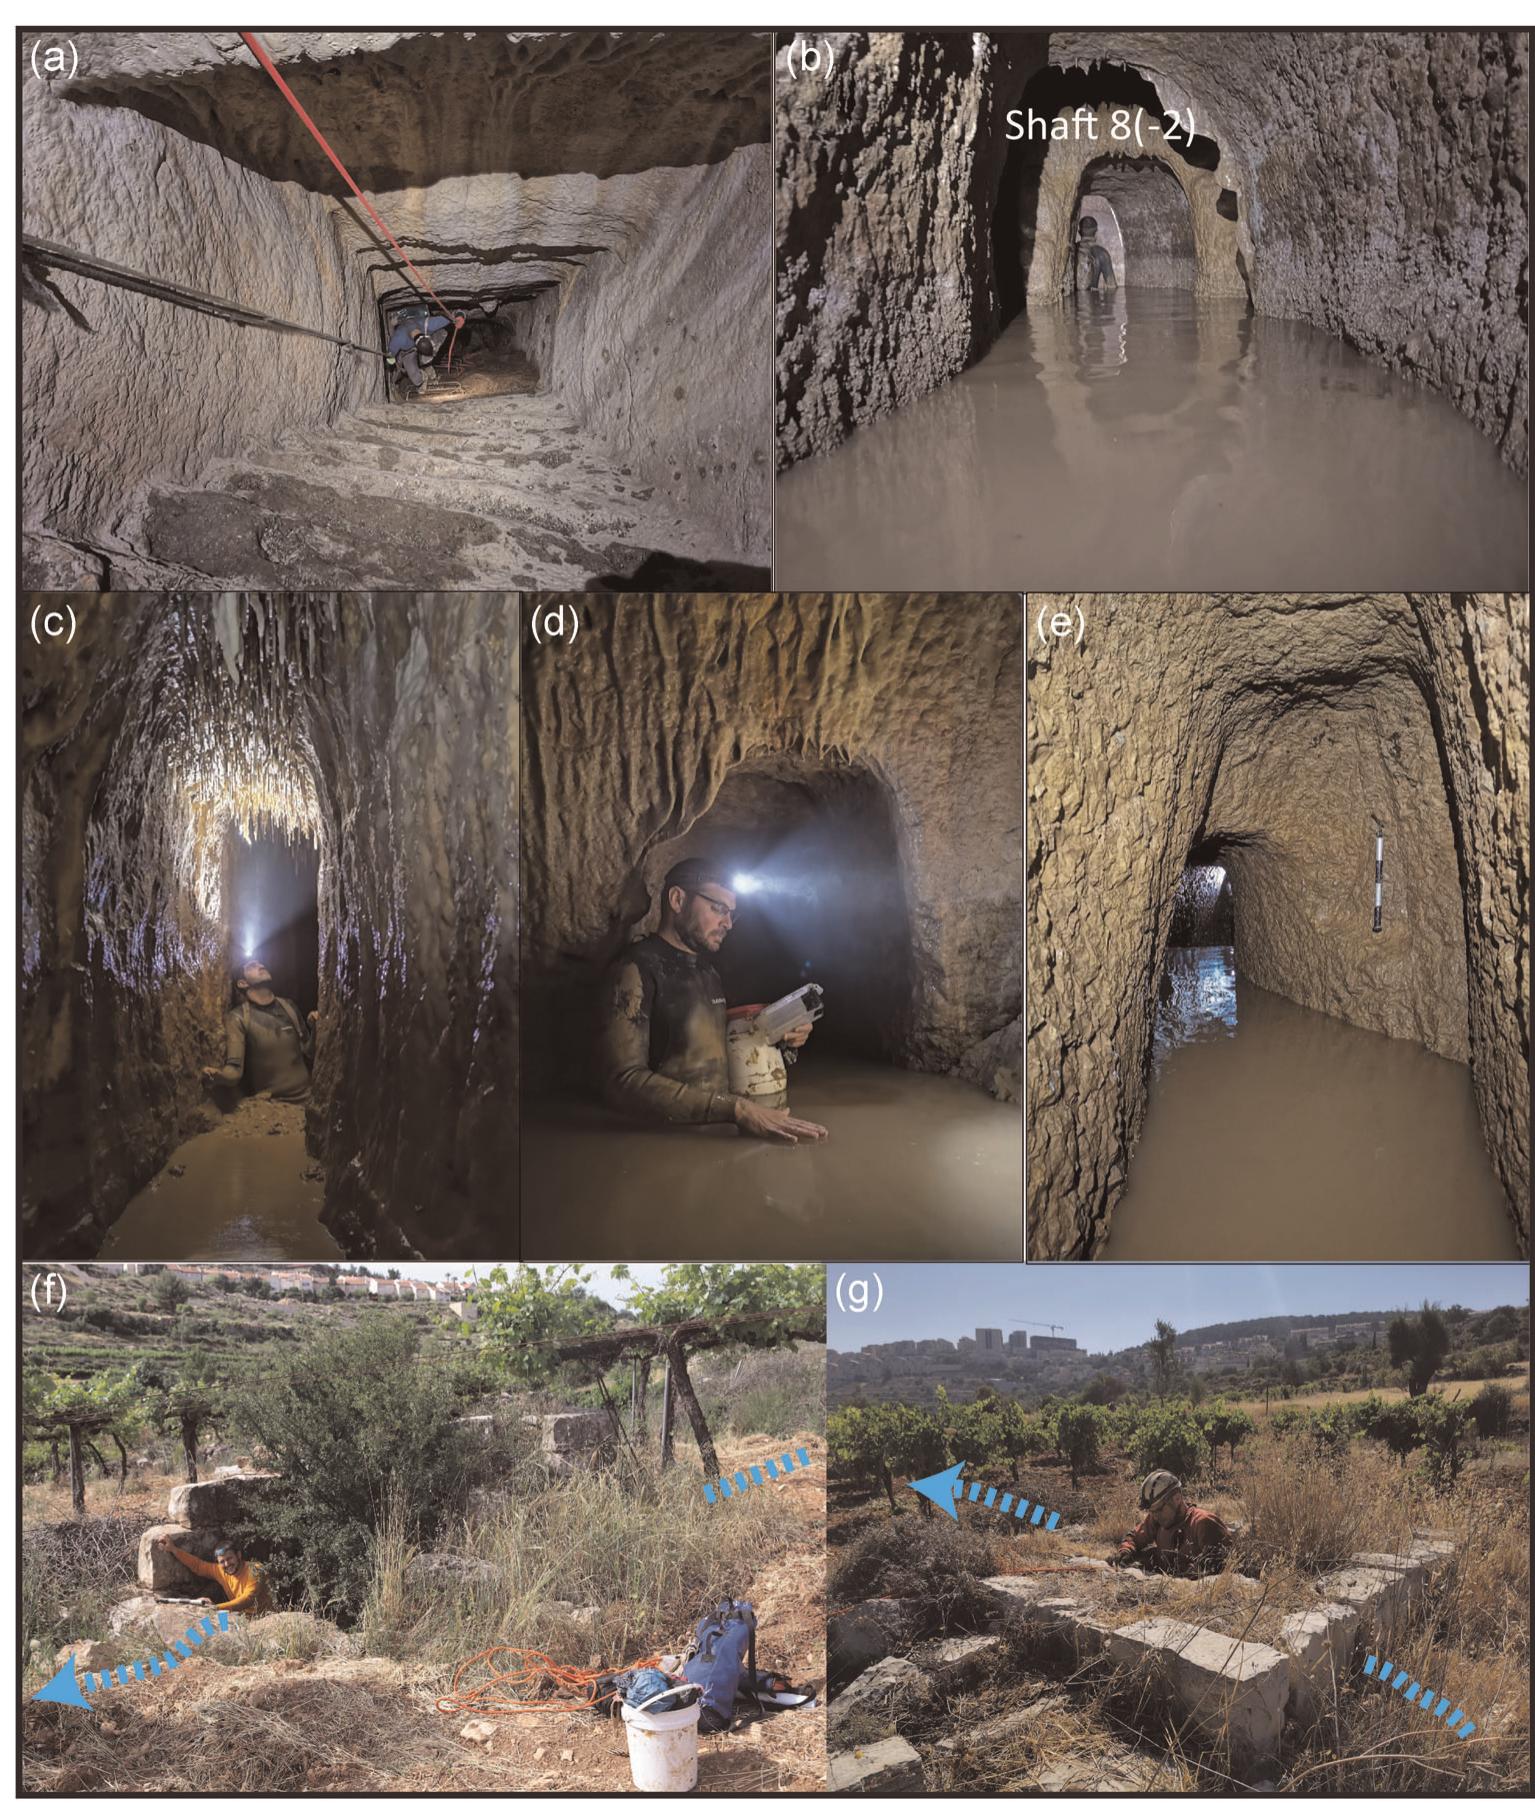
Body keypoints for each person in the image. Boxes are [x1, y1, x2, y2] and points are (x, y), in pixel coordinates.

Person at [598, 858, 829, 1144]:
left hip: (713, 1136)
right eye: (718, 909)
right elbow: (622, 1083)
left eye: (732, 914)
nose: (728, 923)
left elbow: (720, 1053)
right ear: (678, 899)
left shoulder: (709, 973)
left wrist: (781, 1039)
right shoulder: (634, 969)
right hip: (661, 1144)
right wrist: (737, 1109)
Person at [203, 959, 317, 1103]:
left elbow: (309, 1052)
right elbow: (234, 1070)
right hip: (274, 1106)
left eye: (261, 964)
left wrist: (315, 1030)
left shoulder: (289, 1006)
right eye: (252, 966)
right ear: (242, 983)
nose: (261, 966)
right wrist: (219, 1076)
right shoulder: (238, 1018)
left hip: (308, 1098)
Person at [1111, 1470, 1231, 1575]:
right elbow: (1133, 1538)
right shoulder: (1157, 1519)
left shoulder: (1203, 1523)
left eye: (1159, 1509)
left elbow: (1217, 1570)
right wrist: (1125, 1551)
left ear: (1177, 1498)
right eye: (1152, 1511)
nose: (1155, 1516)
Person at [152, 1536, 271, 1616]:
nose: (227, 1564)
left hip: (264, 1620)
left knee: (213, 1628)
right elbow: (198, 1566)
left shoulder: (255, 1569)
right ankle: (181, 1652)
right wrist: (173, 1549)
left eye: (230, 1558)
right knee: (203, 1630)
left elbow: (247, 1600)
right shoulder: (221, 1570)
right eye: (222, 1561)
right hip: (239, 1618)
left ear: (239, 1555)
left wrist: (215, 1608)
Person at [386, 306, 468, 396]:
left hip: (426, 342)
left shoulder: (428, 324)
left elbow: (451, 315)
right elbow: (390, 355)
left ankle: (427, 362)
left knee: (442, 334)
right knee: (416, 380)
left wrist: (460, 316)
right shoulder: (399, 339)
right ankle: (424, 375)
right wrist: (391, 360)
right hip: (408, 351)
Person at [1074, 215, 1117, 293]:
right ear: (1096, 231)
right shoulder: (1102, 254)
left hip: (1073, 302)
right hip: (1093, 301)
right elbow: (1112, 286)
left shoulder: (1073, 250)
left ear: (1079, 232)